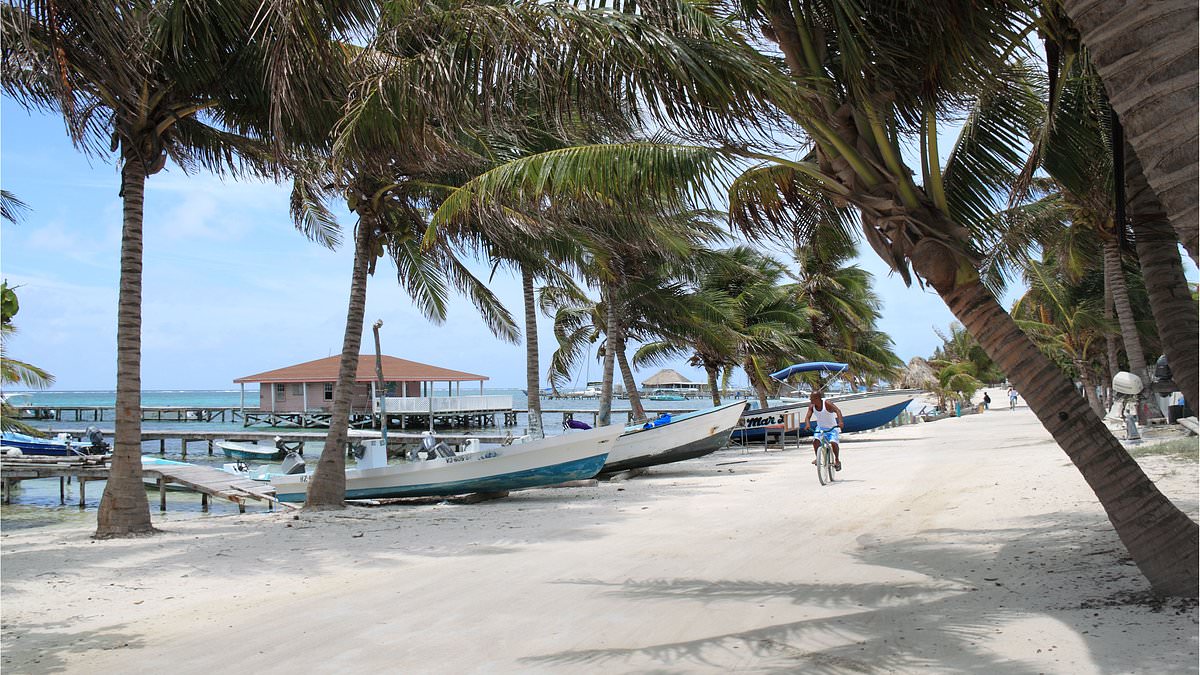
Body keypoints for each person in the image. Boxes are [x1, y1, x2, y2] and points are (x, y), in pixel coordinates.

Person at [803, 391, 845, 471]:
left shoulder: (827, 403)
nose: (810, 399)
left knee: (833, 442)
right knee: (815, 440)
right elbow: (807, 417)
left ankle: (837, 460)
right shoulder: (812, 406)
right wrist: (807, 425)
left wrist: (840, 422)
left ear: (817, 398)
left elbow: (838, 411)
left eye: (811, 398)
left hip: (832, 428)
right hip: (820, 428)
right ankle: (817, 458)